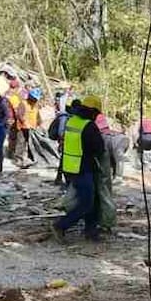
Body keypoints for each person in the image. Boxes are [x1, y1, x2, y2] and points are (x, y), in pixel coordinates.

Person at [55, 95, 107, 241]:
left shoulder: (72, 121)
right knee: (86, 203)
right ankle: (61, 225)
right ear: (92, 112)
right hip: (82, 169)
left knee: (91, 200)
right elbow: (99, 149)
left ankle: (90, 230)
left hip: (69, 167)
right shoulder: (89, 126)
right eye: (96, 113)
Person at [95, 110, 129, 179]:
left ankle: (117, 176)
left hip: (114, 140)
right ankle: (116, 176)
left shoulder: (95, 117)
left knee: (115, 158)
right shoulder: (103, 117)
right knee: (115, 158)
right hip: (120, 139)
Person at [13, 87, 41, 167]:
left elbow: (38, 116)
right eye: (34, 99)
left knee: (31, 144)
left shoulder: (36, 105)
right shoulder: (23, 103)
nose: (35, 100)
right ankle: (18, 159)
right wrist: (24, 122)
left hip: (32, 128)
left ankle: (31, 159)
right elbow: (19, 115)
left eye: (36, 99)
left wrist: (39, 124)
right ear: (30, 97)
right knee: (21, 143)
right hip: (22, 128)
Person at [49, 101, 72, 186]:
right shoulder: (64, 117)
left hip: (65, 140)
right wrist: (62, 141)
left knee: (63, 159)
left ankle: (59, 178)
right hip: (63, 140)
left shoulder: (67, 116)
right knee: (64, 159)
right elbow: (61, 132)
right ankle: (62, 179)